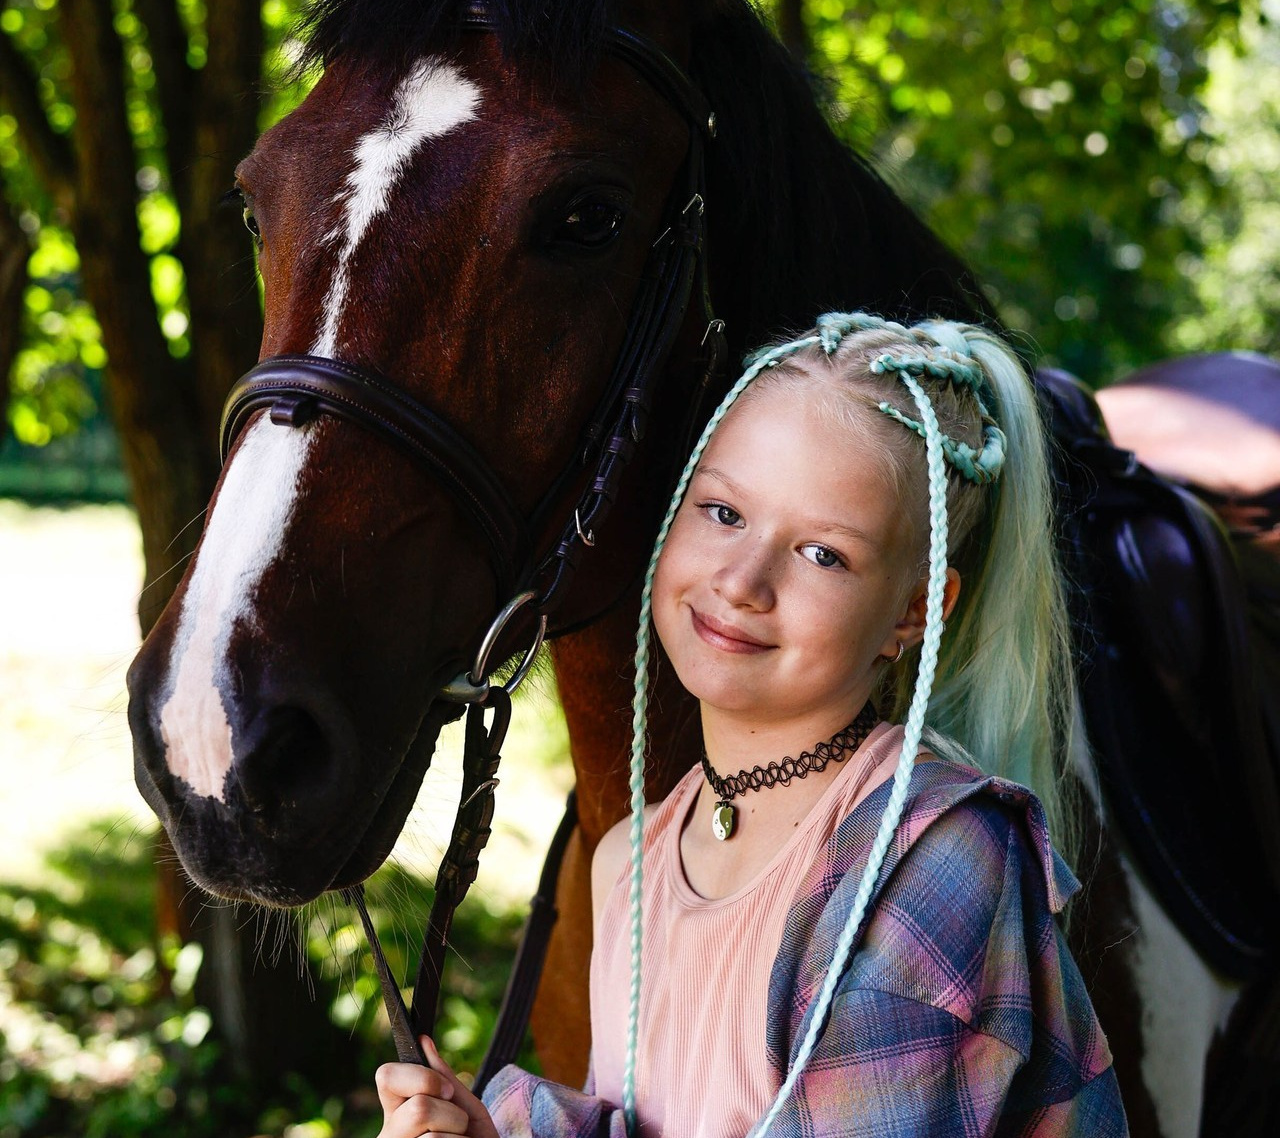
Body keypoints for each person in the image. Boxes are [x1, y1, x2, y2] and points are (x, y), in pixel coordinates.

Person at [375, 312, 1128, 1137]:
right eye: (724, 512)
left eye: (823, 555)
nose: (742, 582)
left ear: (915, 611)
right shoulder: (632, 857)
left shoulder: (934, 859)